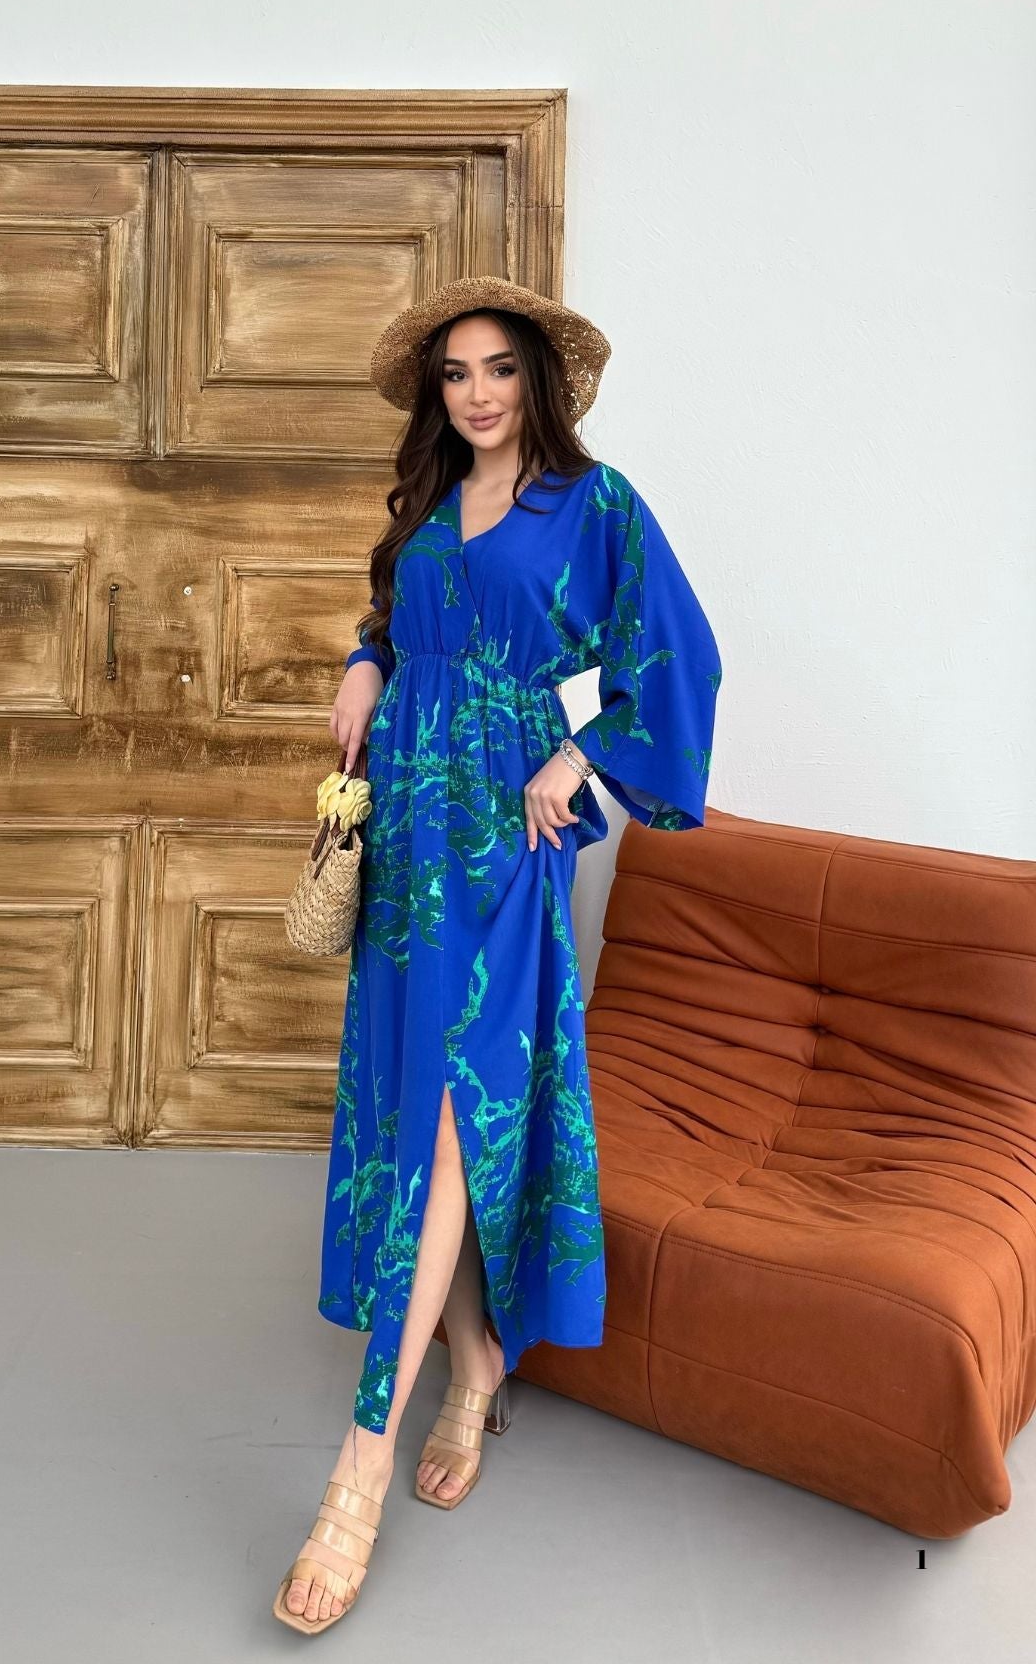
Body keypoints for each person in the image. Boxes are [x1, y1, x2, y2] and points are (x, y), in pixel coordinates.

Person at [273, 276, 722, 1634]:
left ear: (540, 381)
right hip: (411, 843)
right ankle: (474, 1363)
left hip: (506, 850)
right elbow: (399, 627)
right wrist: (364, 664)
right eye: (456, 373)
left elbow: (673, 658)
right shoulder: (427, 507)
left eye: (500, 369)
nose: (477, 393)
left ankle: (359, 1468)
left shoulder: (595, 507)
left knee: (458, 1119)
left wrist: (577, 756)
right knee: (428, 1115)